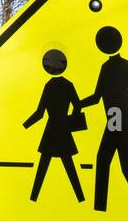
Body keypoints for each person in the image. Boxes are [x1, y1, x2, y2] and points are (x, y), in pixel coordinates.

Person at [81, 26, 128, 213]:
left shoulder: (118, 66)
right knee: (117, 164)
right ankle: (105, 208)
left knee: (114, 163)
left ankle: (103, 208)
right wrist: (79, 104)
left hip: (119, 120)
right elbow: (98, 97)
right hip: (118, 120)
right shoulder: (111, 67)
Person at [23, 49, 86, 203]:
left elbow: (40, 113)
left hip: (51, 130)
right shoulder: (68, 85)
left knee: (44, 167)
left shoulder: (49, 86)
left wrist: (25, 125)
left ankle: (33, 198)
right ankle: (81, 198)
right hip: (63, 128)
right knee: (67, 166)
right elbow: (78, 106)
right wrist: (70, 121)